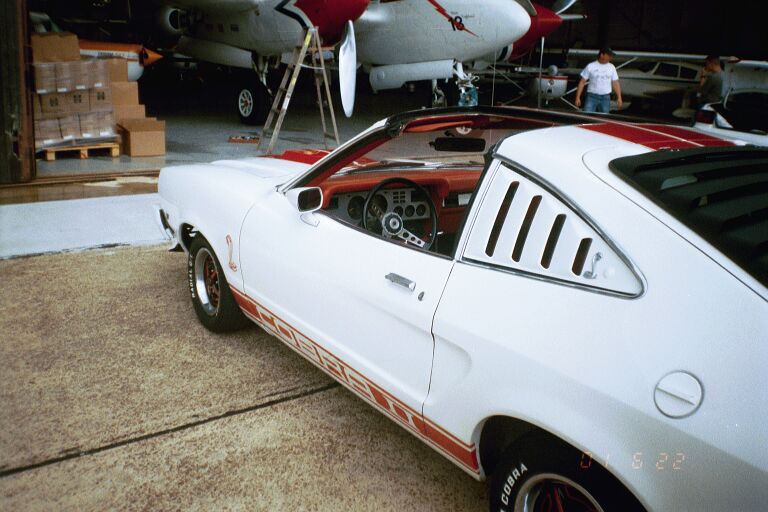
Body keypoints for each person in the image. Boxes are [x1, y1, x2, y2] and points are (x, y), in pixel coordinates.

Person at [575, 47, 623, 113]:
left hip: (605, 97)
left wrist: (619, 97)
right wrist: (577, 97)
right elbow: (582, 82)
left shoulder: (612, 67)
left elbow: (615, 83)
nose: (610, 57)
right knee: (587, 115)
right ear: (602, 55)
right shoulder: (590, 66)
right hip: (592, 96)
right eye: (608, 55)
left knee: (604, 117)